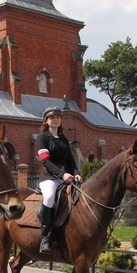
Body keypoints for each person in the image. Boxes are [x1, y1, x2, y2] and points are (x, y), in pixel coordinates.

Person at [36, 106, 83, 253]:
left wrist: (76, 173)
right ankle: (46, 237)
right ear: (46, 121)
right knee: (49, 197)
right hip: (49, 178)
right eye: (52, 117)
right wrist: (62, 174)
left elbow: (70, 160)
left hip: (66, 177)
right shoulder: (42, 138)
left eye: (58, 117)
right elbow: (45, 161)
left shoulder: (64, 139)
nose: (55, 119)